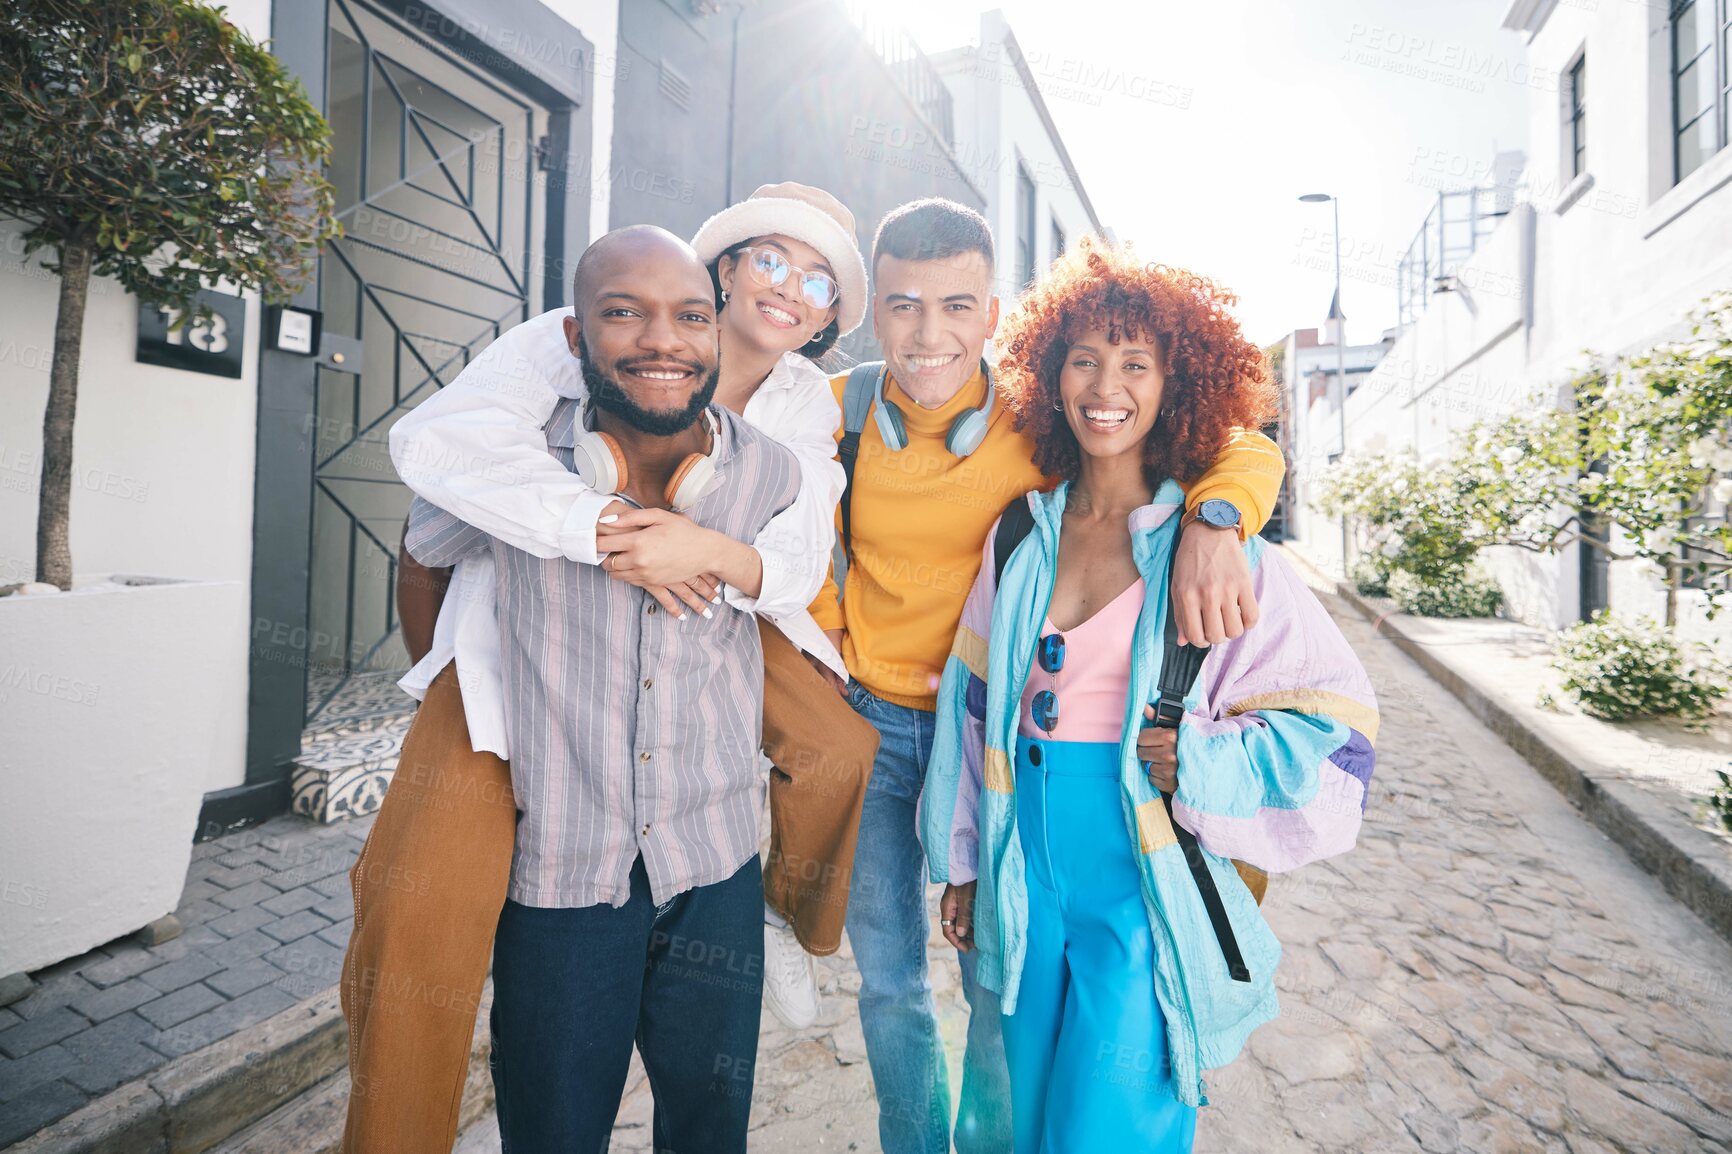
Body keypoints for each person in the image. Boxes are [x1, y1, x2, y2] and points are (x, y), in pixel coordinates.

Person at [342, 183, 872, 1154]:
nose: (790, 288)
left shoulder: (791, 421)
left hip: (740, 600)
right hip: (536, 646)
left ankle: (789, 923)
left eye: (817, 278)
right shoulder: (557, 361)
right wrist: (597, 528)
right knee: (417, 894)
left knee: (838, 737)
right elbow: (431, 488)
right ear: (722, 268)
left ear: (830, 312)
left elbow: (797, 558)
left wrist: (702, 550)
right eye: (770, 259)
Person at [810, 200, 1290, 1154]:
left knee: (1005, 986)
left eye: (957, 305)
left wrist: (1220, 520)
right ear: (875, 313)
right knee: (893, 986)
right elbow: (779, 513)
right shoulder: (839, 413)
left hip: (990, 738)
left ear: (994, 316)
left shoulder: (1040, 426)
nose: (929, 332)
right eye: (903, 305)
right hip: (869, 723)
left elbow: (1228, 439)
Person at [920, 237, 1379, 1152]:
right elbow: (972, 711)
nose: (1106, 385)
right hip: (1024, 863)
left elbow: (1343, 734)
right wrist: (965, 858)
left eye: (1137, 363)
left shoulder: (1219, 547)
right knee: (1017, 1108)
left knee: (1111, 1121)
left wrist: (1204, 759)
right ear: (1051, 374)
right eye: (1083, 358)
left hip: (1143, 873)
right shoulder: (1020, 532)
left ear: (1178, 383)